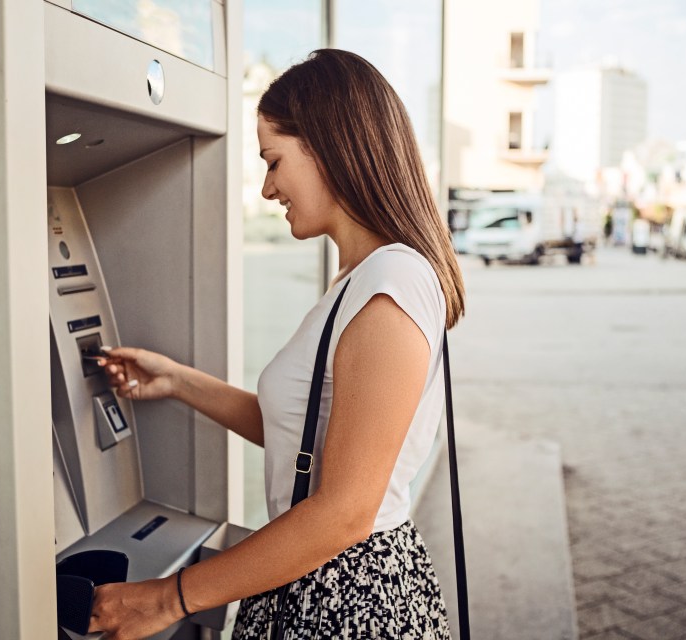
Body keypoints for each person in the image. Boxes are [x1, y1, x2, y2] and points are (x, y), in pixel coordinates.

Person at [89, 48, 465, 639]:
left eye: (274, 161)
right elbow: (309, 441)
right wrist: (179, 381)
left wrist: (167, 600)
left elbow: (343, 513)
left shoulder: (391, 285)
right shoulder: (359, 281)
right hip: (320, 583)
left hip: (349, 599)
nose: (268, 188)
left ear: (330, 147)